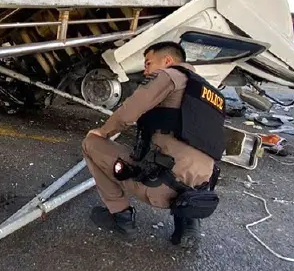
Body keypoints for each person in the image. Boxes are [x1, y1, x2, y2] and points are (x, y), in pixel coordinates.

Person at [82, 42, 223, 249]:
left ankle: (120, 217)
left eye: (148, 63)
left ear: (167, 61)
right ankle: (188, 220)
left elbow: (128, 113)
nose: (145, 69)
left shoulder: (169, 76)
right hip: (199, 193)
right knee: (184, 159)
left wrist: (103, 131)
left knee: (90, 144)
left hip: (159, 185)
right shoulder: (212, 94)